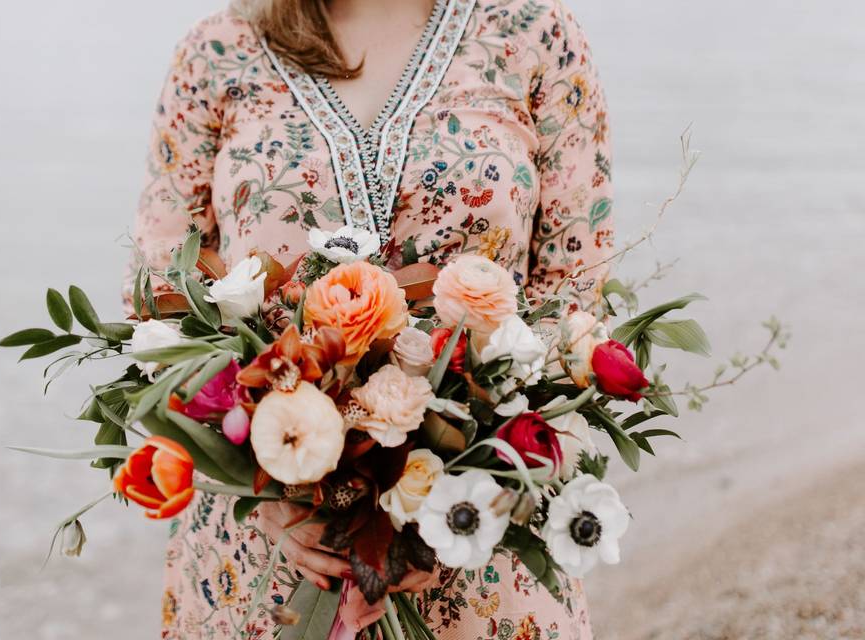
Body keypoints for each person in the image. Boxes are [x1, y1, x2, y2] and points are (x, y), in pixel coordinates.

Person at [126, 0, 614, 637]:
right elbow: (161, 297)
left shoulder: (532, 31)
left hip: (479, 544)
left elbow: (573, 289)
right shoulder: (218, 50)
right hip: (266, 554)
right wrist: (264, 492)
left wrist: (476, 499)